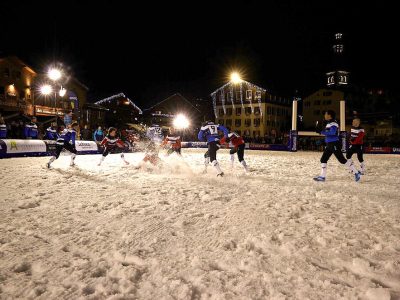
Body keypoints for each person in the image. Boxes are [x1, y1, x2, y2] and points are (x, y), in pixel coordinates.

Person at [314, 110, 362, 182]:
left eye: (326, 114)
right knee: (323, 159)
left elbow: (333, 132)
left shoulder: (334, 123)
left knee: (342, 160)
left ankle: (356, 172)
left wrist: (322, 132)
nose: (325, 115)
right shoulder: (329, 123)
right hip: (329, 144)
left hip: (334, 144)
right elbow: (328, 132)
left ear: (329, 115)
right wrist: (321, 130)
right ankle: (322, 176)